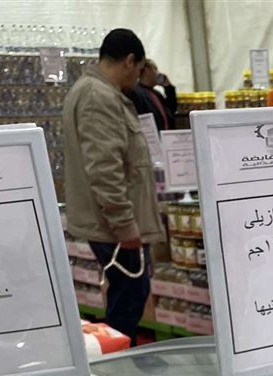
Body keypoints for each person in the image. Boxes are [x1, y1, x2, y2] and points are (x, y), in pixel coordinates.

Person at [63, 28, 164, 340]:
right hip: (114, 227)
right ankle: (118, 361)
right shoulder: (99, 97)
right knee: (128, 300)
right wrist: (125, 225)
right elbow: (104, 168)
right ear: (130, 61)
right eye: (139, 69)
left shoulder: (97, 91)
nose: (137, 77)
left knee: (129, 296)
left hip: (113, 223)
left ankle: (120, 354)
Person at [130, 58, 176, 131]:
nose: (158, 73)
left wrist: (169, 88)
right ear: (147, 70)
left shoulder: (157, 94)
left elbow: (171, 110)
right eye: (155, 69)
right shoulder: (136, 93)